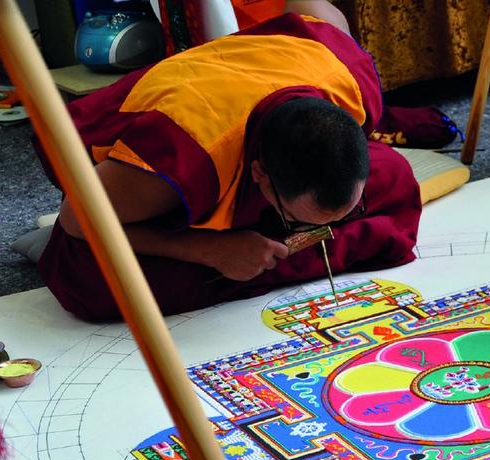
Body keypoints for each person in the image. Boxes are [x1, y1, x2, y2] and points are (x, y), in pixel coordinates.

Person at [36, 8, 421, 321]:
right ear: (259, 175)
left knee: (397, 179)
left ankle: (271, 241)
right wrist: (209, 249)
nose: (312, 232)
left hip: (259, 141)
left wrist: (303, 218)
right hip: (147, 159)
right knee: (92, 284)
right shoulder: (181, 151)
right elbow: (76, 219)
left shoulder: (346, 77)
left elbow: (319, 12)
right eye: (298, 220)